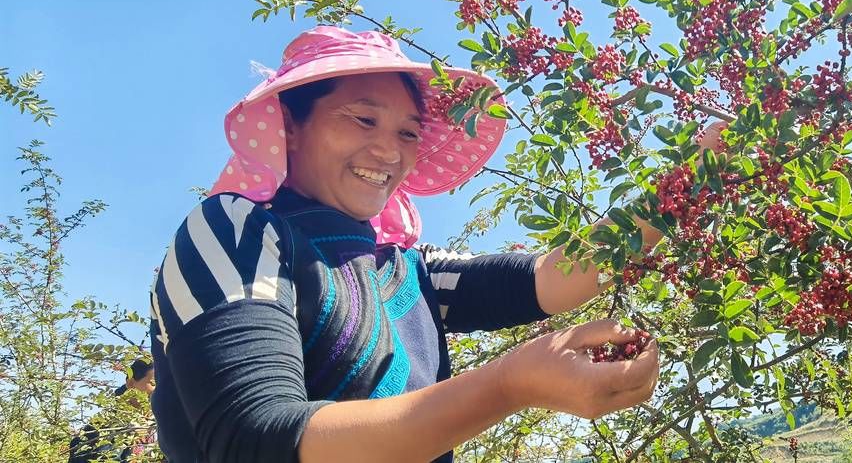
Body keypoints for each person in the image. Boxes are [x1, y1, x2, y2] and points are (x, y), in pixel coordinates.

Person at [149, 26, 710, 462]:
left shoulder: (408, 271)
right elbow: (258, 443)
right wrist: (507, 387)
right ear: (290, 125)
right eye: (363, 119)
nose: (389, 152)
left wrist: (704, 168)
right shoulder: (236, 234)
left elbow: (556, 276)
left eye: (407, 132)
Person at [69, 359, 155, 463]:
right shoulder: (109, 427)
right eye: (152, 382)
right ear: (131, 383)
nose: (158, 389)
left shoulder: (149, 426)